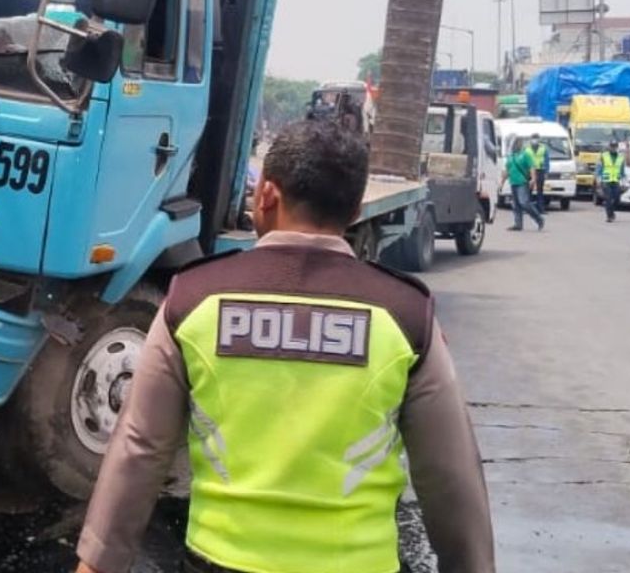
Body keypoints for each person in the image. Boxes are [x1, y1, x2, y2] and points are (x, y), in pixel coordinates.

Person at [74, 120, 494, 573]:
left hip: (220, 561)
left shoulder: (193, 300)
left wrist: (97, 564)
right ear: (354, 211)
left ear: (266, 196)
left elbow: (140, 447)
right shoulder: (406, 315)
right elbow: (450, 475)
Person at [501, 137, 544, 232]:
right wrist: (501, 183)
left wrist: (533, 179)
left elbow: (532, 167)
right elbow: (507, 171)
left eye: (517, 143)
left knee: (524, 203)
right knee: (516, 205)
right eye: (514, 143)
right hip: (513, 182)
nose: (515, 145)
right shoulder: (511, 157)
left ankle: (539, 219)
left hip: (522, 182)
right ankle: (518, 224)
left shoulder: (525, 155)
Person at [596, 139, 626, 223]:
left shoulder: (620, 157)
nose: (613, 148)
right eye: (612, 146)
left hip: (616, 180)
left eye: (615, 146)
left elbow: (622, 170)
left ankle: (612, 212)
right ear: (609, 147)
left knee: (617, 199)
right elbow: (599, 168)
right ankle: (610, 216)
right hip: (606, 180)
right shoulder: (604, 156)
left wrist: (624, 182)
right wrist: (598, 180)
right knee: (608, 199)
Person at [524, 133, 550, 214]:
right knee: (528, 190)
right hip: (529, 171)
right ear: (530, 139)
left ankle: (541, 209)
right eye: (533, 138)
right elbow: (523, 160)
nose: (535, 140)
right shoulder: (526, 148)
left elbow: (547, 160)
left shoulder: (543, 148)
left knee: (540, 191)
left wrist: (546, 171)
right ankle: (526, 209)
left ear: (539, 139)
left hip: (540, 170)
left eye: (536, 138)